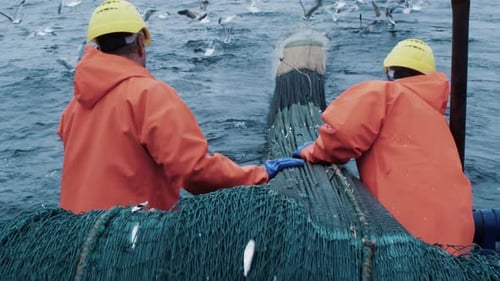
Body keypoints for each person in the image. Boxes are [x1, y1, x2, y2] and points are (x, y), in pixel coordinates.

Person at [57, 0, 304, 214]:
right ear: (141, 43)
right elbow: (195, 172)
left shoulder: (73, 110)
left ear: (98, 47)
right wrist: (258, 174)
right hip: (131, 244)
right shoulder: (148, 95)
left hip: (77, 243)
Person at [293, 38, 474, 253]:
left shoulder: (384, 94)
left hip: (406, 246)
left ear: (390, 72)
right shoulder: (439, 122)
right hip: (460, 247)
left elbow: (341, 138)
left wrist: (310, 151)